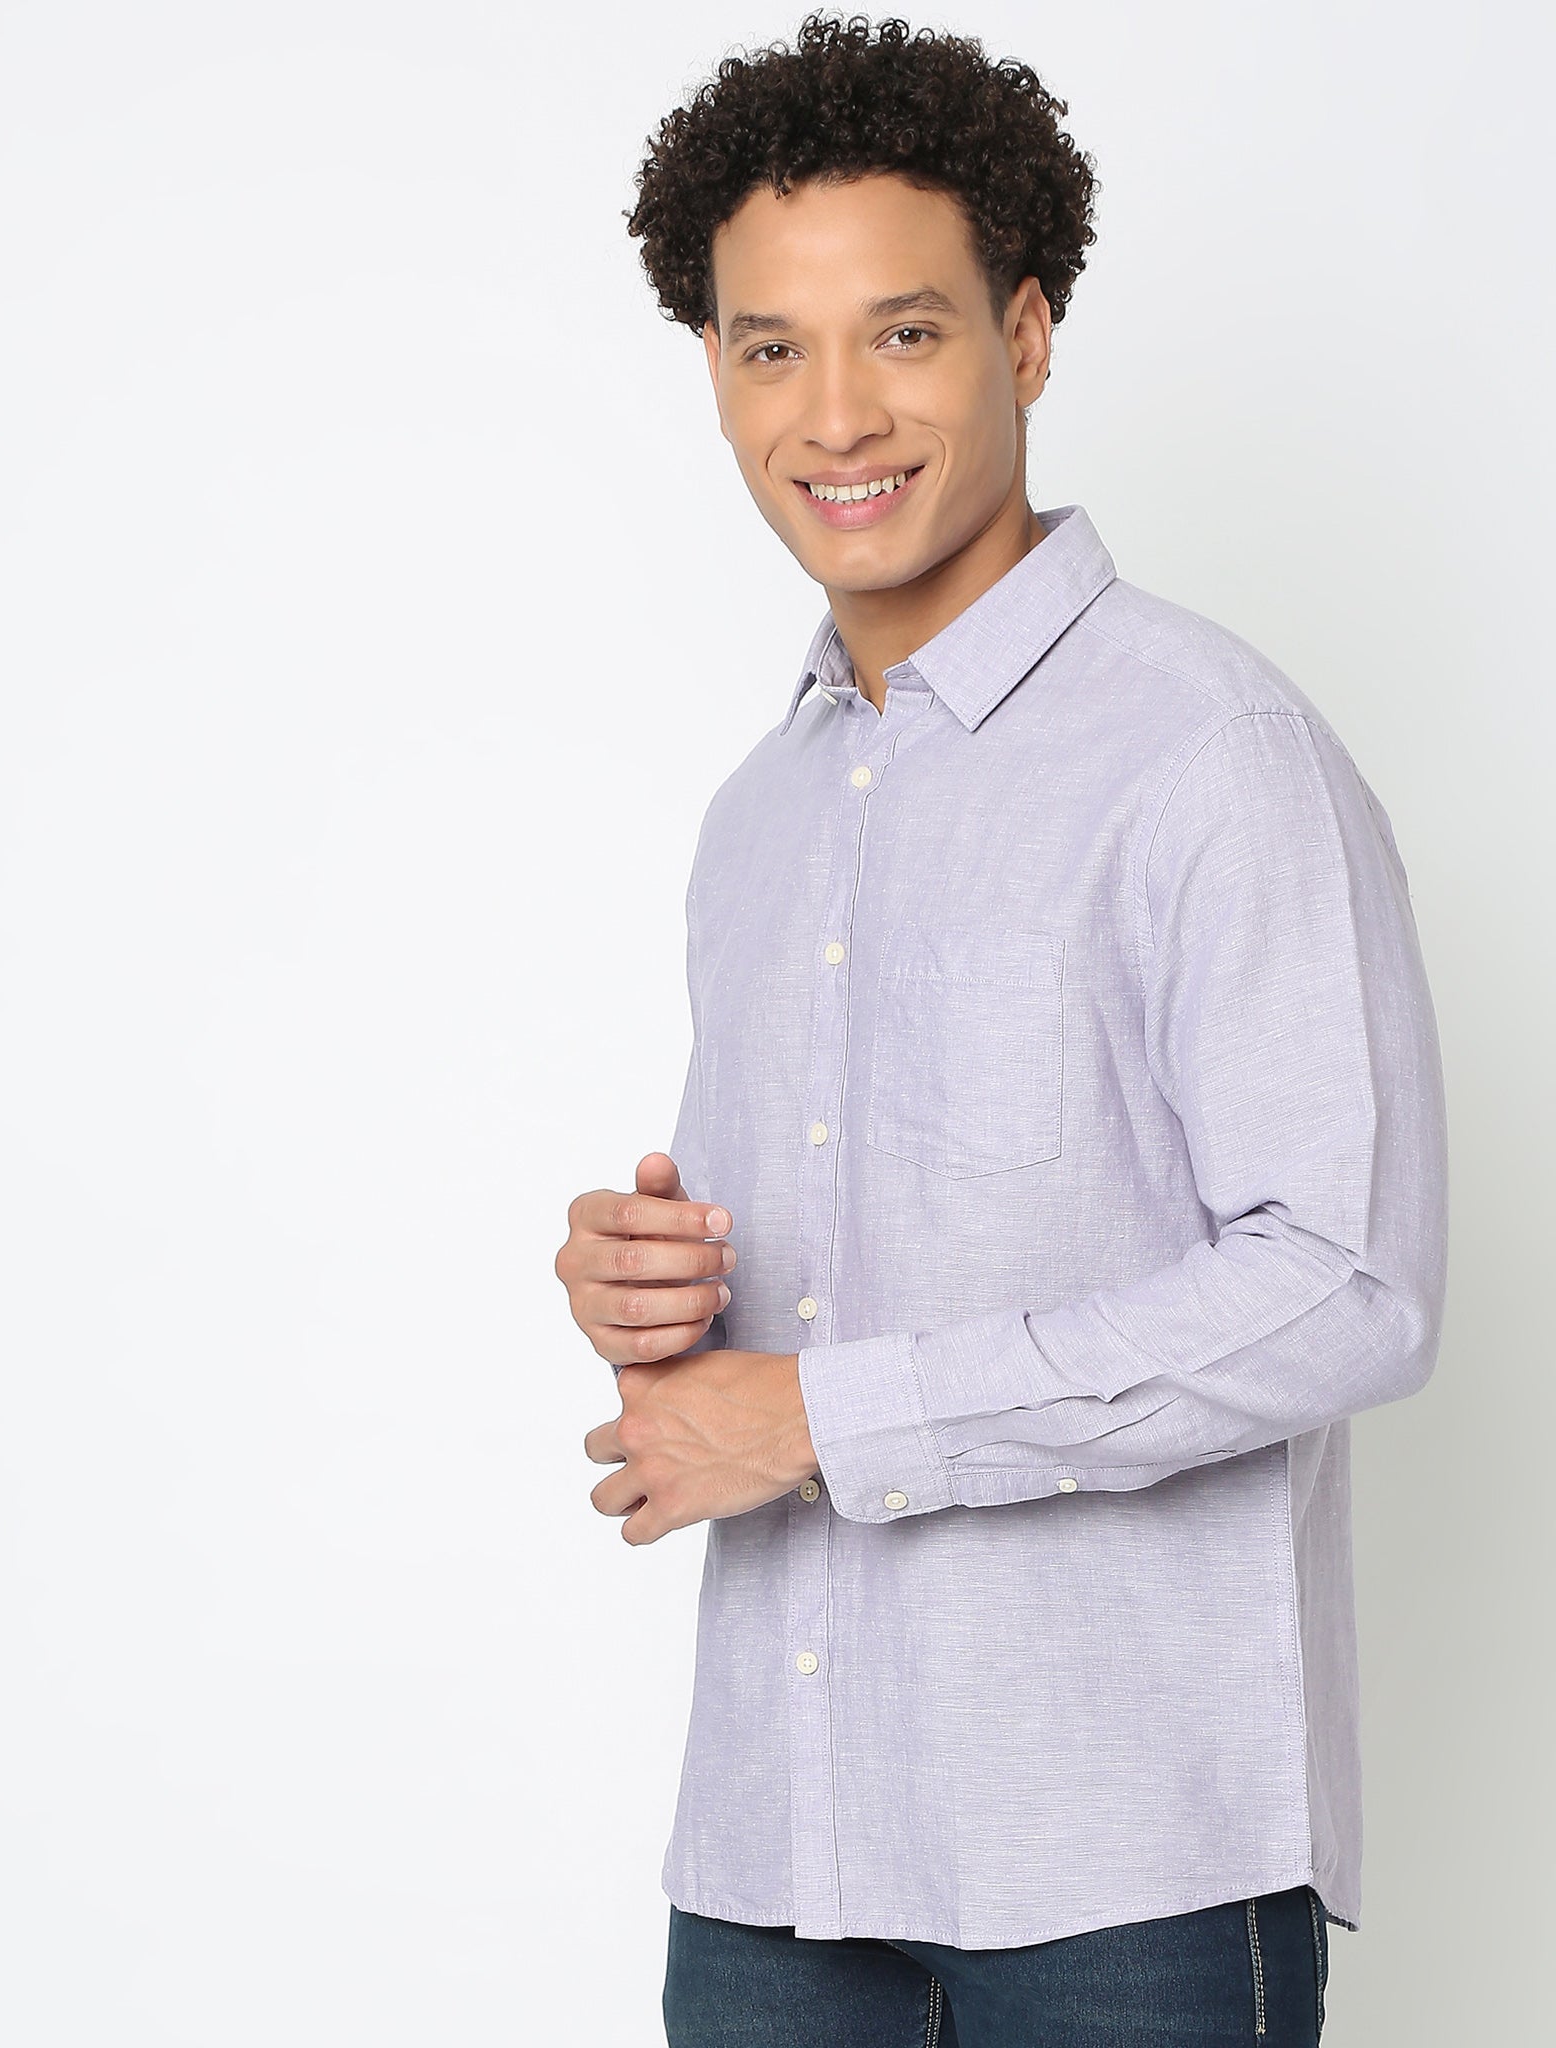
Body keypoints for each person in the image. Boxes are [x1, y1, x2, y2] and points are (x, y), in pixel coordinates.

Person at [551, 14, 1448, 2045]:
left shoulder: (1212, 755)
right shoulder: (759, 813)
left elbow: (1347, 1285)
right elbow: (829, 1294)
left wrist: (820, 1419)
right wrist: (646, 1296)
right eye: (769, 348)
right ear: (713, 373)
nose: (834, 415)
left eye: (905, 333)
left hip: (1119, 1864)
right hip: (775, 1859)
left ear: (1026, 338)